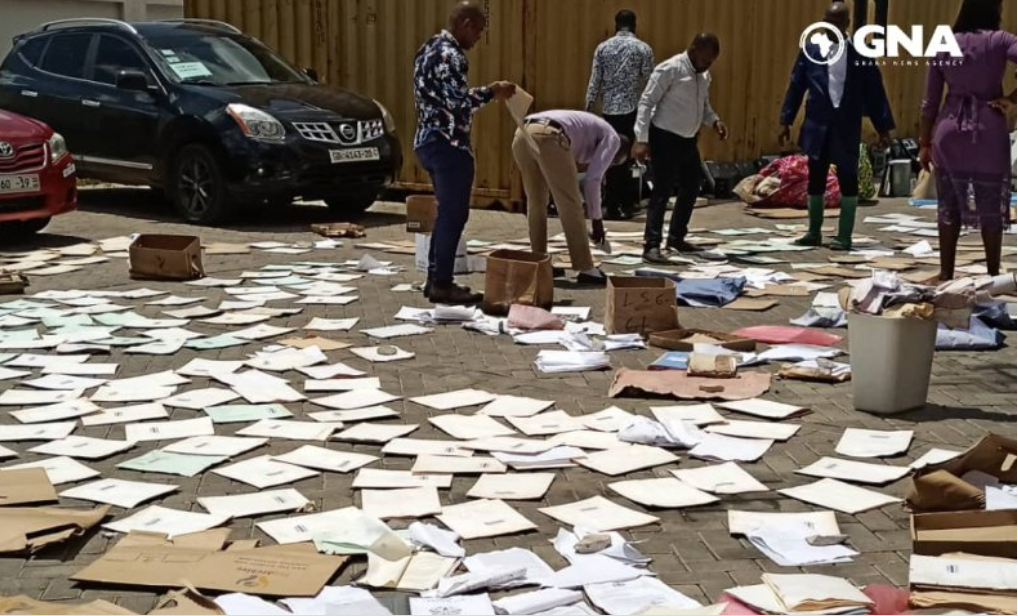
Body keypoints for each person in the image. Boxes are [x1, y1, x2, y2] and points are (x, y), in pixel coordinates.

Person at [413, 0, 516, 304]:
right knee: (454, 215)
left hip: (427, 141)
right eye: (479, 32)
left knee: (445, 214)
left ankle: (435, 280)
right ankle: (442, 284)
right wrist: (492, 91)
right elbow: (456, 102)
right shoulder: (451, 55)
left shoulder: (428, 48)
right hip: (449, 144)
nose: (479, 39)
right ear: (466, 25)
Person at [779, 2, 895, 251]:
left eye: (837, 21)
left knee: (848, 179)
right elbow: (796, 85)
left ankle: (844, 235)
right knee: (816, 178)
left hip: (845, 125)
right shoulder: (811, 50)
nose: (831, 26)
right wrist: (786, 120)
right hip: (818, 124)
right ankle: (813, 232)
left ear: (847, 24)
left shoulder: (861, 53)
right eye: (828, 20)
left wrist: (883, 128)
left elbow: (875, 93)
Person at [919, 0, 1016, 281]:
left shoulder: (944, 43)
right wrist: (1011, 99)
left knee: (948, 206)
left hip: (949, 131)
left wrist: (924, 143)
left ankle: (946, 272)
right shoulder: (1000, 40)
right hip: (988, 127)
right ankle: (993, 273)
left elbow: (929, 102)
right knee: (991, 206)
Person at [633, 33, 729, 265]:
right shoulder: (670, 69)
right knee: (662, 191)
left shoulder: (703, 75)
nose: (707, 65)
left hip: (688, 140)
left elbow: (703, 106)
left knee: (692, 187)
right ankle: (652, 245)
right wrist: (641, 139)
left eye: (711, 62)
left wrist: (714, 121)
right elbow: (646, 103)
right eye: (705, 60)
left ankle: (676, 238)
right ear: (694, 49)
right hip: (664, 138)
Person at [512, 110, 629, 286]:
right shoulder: (613, 139)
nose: (610, 164)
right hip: (549, 135)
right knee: (570, 204)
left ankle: (540, 262)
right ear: (618, 152)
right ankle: (586, 268)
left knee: (536, 202)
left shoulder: (591, 130)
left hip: (522, 133)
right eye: (613, 161)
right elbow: (592, 179)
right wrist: (596, 219)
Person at [585, 9, 654, 220]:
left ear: (616, 25)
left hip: (609, 110)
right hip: (631, 109)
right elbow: (651, 81)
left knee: (610, 156)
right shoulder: (643, 48)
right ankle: (625, 203)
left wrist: (588, 108)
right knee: (626, 158)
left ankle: (610, 203)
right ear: (634, 25)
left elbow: (595, 80)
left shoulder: (602, 48)